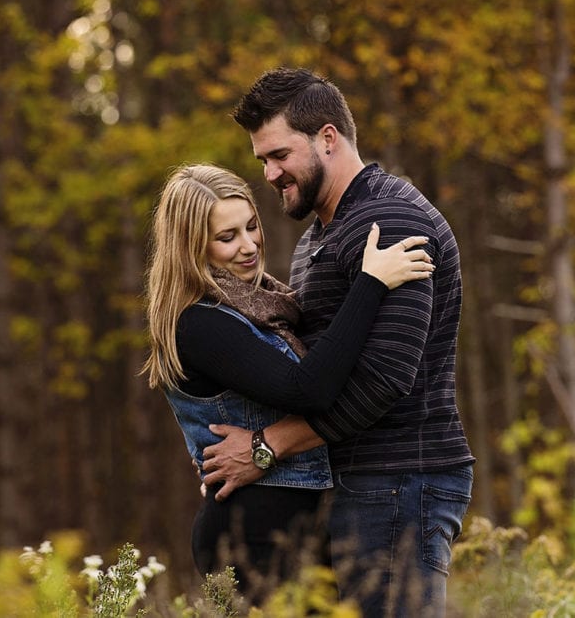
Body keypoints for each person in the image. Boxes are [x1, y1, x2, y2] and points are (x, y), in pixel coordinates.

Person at [201, 67, 475, 617]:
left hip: (401, 480)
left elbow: (385, 378)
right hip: (357, 484)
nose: (271, 173)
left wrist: (266, 446)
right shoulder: (319, 237)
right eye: (262, 161)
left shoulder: (391, 222)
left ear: (328, 137)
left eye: (279, 154)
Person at [142, 163, 434, 600]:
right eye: (227, 237)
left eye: (251, 227)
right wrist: (370, 283)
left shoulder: (260, 306)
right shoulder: (200, 323)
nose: (248, 246)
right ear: (191, 248)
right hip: (253, 532)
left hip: (293, 524)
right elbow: (308, 389)